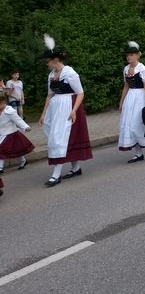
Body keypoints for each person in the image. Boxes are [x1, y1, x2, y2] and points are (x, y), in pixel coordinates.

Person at [39, 34, 93, 187]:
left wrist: (74, 110)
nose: (47, 64)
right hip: (56, 109)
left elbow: (80, 93)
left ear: (55, 60)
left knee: (59, 139)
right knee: (62, 139)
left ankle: (56, 174)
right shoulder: (51, 75)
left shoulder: (70, 73)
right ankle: (76, 168)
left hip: (69, 107)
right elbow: (49, 95)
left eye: (48, 61)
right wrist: (44, 113)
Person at [0, 94, 34, 174]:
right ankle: (23, 160)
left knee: (0, 149)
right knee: (16, 150)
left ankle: (0, 167)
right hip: (2, 135)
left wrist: (26, 127)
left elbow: (18, 120)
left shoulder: (10, 111)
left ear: (3, 102)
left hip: (10, 134)